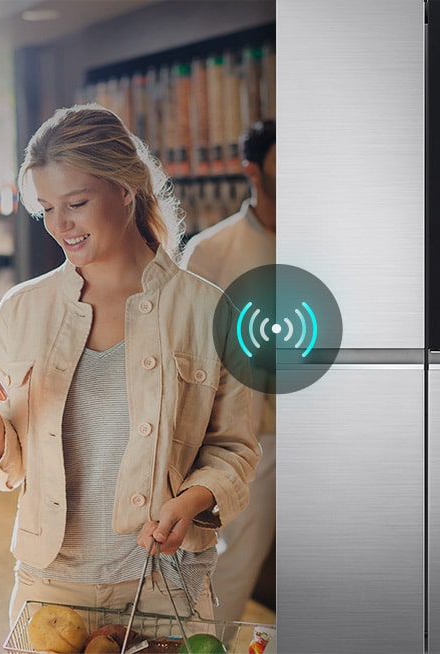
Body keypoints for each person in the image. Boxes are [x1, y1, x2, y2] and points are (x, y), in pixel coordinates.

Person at [0, 103, 260, 625]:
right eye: (46, 209)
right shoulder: (20, 311)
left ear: (124, 189)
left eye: (77, 203)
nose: (61, 226)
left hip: (166, 587)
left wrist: (191, 501)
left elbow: (235, 450)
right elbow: (10, 470)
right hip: (49, 586)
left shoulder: (208, 310)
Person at [180, 119, 276, 623]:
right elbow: (186, 347)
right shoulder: (212, 251)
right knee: (233, 564)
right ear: (253, 172)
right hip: (252, 440)